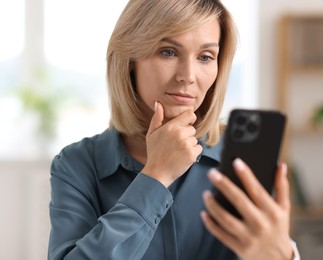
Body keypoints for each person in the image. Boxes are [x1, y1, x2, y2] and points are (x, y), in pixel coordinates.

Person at [48, 0, 300, 259]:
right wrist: (156, 176)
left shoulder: (242, 161)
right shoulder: (76, 164)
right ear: (131, 59)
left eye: (205, 57)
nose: (188, 76)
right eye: (168, 52)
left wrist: (283, 255)